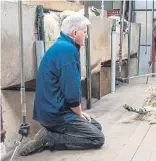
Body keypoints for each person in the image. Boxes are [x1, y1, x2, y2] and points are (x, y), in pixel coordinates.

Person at [19, 14, 104, 156]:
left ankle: (51, 132)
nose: (86, 36)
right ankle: (50, 138)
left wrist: (79, 114)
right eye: (84, 32)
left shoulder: (62, 45)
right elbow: (71, 90)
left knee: (96, 126)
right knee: (97, 138)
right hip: (56, 113)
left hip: (55, 109)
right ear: (74, 33)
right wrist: (78, 113)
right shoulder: (67, 50)